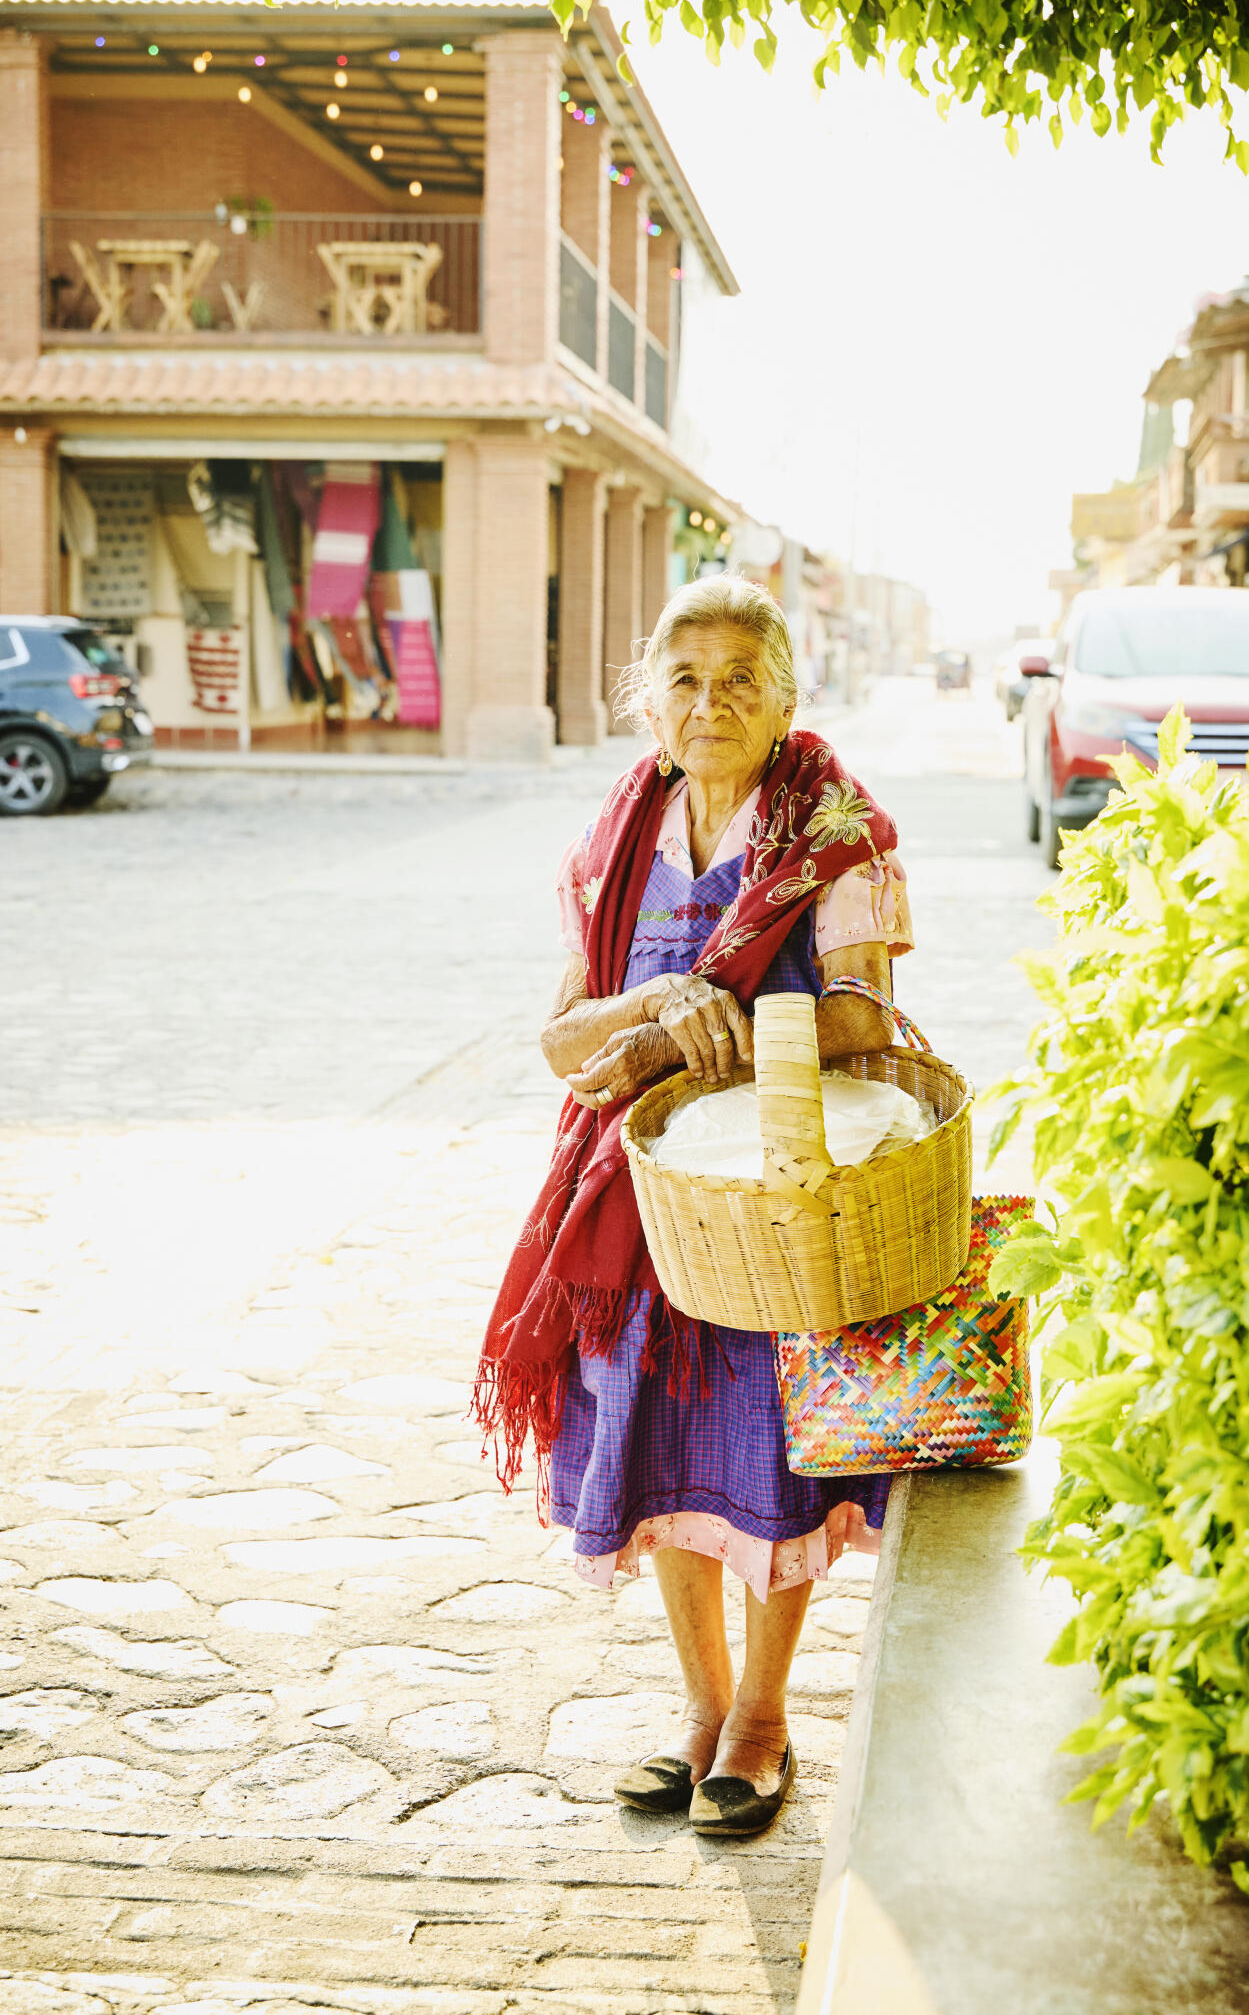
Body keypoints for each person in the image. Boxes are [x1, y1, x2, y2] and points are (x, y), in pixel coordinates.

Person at [473, 577, 913, 1837]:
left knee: (769, 1455)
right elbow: (565, 1039)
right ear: (648, 698)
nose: (708, 700)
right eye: (684, 677)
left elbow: (863, 1018)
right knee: (663, 1449)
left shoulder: (836, 831)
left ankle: (766, 1722)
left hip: (773, 1203)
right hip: (637, 1208)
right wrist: (658, 1010)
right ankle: (702, 1711)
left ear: (784, 697)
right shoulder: (618, 839)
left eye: (738, 677)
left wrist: (718, 1026)